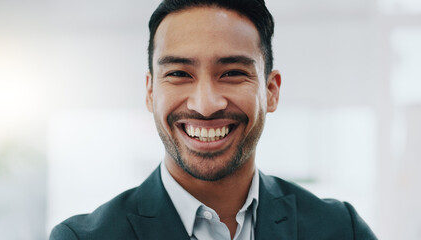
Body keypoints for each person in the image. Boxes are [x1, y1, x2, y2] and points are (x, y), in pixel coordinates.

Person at [50, 0, 377, 239]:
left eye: (233, 73)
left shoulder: (340, 229)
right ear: (150, 93)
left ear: (271, 90)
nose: (205, 106)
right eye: (179, 73)